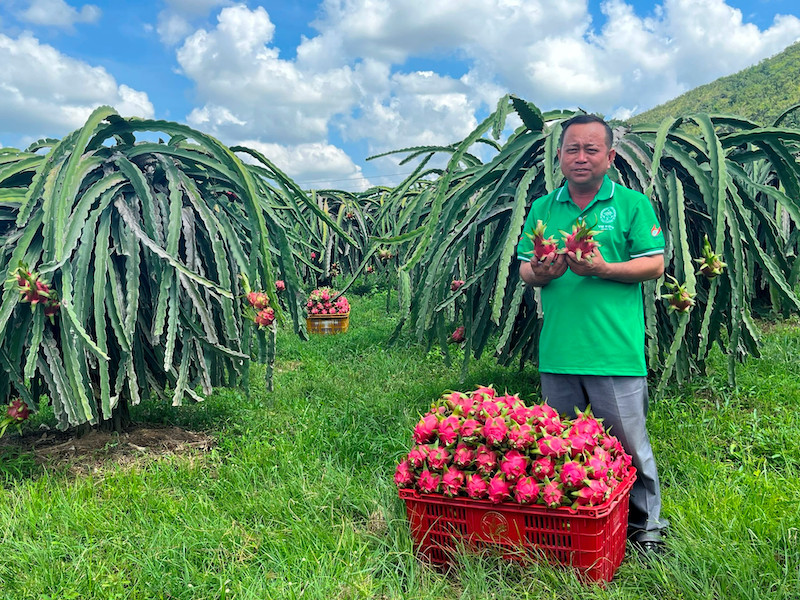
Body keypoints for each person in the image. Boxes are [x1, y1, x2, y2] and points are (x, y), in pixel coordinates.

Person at [516, 114, 668, 556]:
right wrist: (540, 272)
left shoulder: (632, 205)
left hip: (613, 351)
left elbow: (654, 264)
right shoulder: (544, 208)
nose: (581, 157)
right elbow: (527, 268)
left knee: (629, 446)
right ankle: (570, 524)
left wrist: (602, 268)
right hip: (559, 352)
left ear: (610, 156)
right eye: (572, 149)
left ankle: (646, 529)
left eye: (591, 149)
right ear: (559, 156)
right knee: (560, 447)